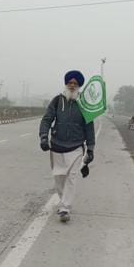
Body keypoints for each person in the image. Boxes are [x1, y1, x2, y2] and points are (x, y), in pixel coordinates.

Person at [39, 70, 96, 222]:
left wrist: (90, 148)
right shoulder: (57, 101)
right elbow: (47, 119)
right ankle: (64, 201)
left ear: (79, 86)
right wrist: (44, 137)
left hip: (76, 146)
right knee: (59, 178)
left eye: (75, 83)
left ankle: (65, 208)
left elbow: (89, 126)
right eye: (70, 83)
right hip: (57, 145)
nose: (72, 85)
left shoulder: (84, 104)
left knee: (72, 176)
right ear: (66, 84)